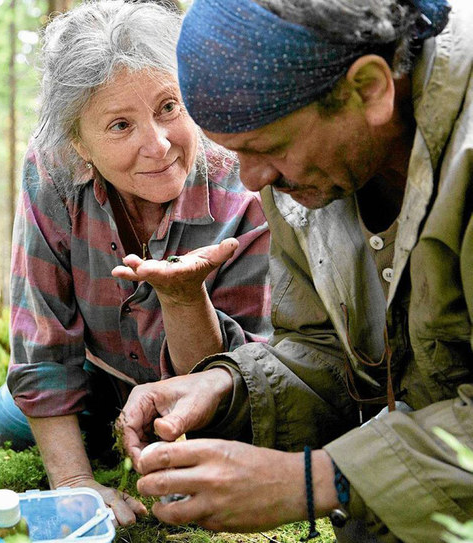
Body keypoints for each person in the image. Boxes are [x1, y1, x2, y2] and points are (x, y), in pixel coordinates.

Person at [118, 0, 473, 541]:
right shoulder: (311, 172)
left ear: (369, 89)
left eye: (269, 147)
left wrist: (313, 482)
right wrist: (225, 387)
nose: (253, 178)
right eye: (235, 154)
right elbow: (327, 351)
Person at [0, 0, 273, 527]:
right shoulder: (51, 170)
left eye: (168, 107)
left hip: (212, 395)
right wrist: (73, 484)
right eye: (120, 125)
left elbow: (243, 374)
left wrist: (184, 297)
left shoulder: (242, 176)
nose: (157, 145)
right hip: (100, 375)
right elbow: (42, 339)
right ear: (78, 142)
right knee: (3, 423)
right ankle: (102, 435)